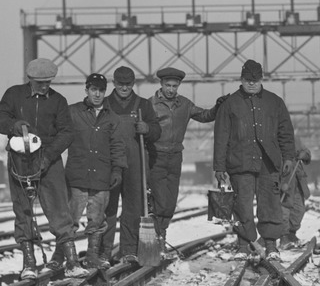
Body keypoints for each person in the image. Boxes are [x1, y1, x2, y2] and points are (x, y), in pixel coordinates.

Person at [0, 57, 78, 275]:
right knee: (23, 211)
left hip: (49, 161)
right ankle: (28, 264)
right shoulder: (13, 95)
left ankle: (72, 262)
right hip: (20, 162)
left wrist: (48, 156)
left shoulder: (58, 101)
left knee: (59, 210)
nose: (44, 86)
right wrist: (13, 125)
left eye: (48, 82)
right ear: (29, 79)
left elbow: (67, 131)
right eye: (40, 82)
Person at [213, 60, 296, 261]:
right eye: (247, 80)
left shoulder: (275, 102)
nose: (251, 84)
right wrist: (219, 166)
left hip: (269, 164)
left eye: (255, 80)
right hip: (239, 164)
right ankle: (243, 245)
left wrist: (288, 157)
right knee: (242, 206)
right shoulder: (229, 104)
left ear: (261, 79)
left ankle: (271, 246)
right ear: (241, 79)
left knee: (270, 205)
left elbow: (285, 132)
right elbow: (221, 136)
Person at [148, 66, 225, 252]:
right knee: (159, 199)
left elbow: (205, 116)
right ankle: (157, 239)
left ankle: (161, 233)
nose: (171, 89)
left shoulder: (185, 104)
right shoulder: (149, 104)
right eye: (168, 85)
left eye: (175, 86)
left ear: (179, 85)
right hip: (155, 157)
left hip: (175, 157)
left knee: (170, 201)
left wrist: (218, 107)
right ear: (161, 84)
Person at [65, 73, 127, 271]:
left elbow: (117, 145)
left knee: (97, 220)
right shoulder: (72, 112)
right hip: (77, 176)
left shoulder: (112, 118)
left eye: (101, 90)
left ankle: (92, 257)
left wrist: (117, 169)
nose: (97, 94)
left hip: (101, 177)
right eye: (93, 90)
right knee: (70, 220)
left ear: (105, 92)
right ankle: (70, 260)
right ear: (86, 90)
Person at [104, 66, 161, 263]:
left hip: (136, 162)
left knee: (133, 207)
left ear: (133, 84)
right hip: (109, 163)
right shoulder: (105, 104)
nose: (124, 88)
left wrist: (148, 129)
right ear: (114, 83)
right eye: (120, 84)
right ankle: (104, 252)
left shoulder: (143, 105)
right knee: (107, 208)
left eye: (128, 84)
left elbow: (157, 130)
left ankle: (128, 250)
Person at [280, 139, 312, 249]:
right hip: (284, 178)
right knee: (284, 209)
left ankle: (291, 234)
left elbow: (307, 153)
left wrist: (305, 155)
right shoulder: (273, 137)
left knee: (299, 209)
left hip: (298, 180)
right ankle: (283, 236)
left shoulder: (295, 140)